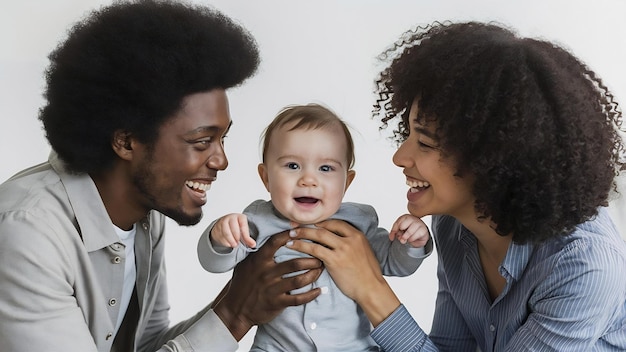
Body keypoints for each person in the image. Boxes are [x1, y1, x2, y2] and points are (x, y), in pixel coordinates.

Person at [0, 1, 325, 351]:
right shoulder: (26, 234)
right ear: (126, 142)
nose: (221, 160)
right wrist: (234, 313)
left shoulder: (145, 217)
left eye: (222, 138)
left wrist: (242, 296)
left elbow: (146, 346)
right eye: (201, 142)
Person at [285, 21, 626, 351]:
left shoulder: (584, 266)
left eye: (426, 143)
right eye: (408, 134)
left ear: (492, 160)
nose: (400, 157)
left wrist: (371, 289)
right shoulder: (452, 223)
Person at [198, 103, 432, 351]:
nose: (309, 180)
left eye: (326, 168)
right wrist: (220, 237)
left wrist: (410, 243)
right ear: (266, 177)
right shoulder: (258, 220)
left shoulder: (358, 222)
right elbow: (216, 263)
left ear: (347, 182)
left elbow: (394, 264)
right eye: (292, 166)